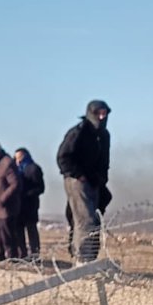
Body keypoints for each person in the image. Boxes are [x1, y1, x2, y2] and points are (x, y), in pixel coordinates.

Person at [57, 100, 112, 262]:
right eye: (98, 113)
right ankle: (83, 259)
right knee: (85, 219)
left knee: (94, 219)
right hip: (77, 180)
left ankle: (90, 256)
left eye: (105, 113)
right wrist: (77, 174)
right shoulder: (79, 132)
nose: (102, 117)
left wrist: (102, 179)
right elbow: (63, 156)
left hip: (95, 181)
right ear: (91, 114)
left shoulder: (104, 135)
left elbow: (104, 161)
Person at [0, 141, 21, 261]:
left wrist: (3, 199)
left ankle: (12, 259)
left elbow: (15, 184)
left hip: (6, 209)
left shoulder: (7, 163)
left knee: (8, 237)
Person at [15, 148, 45, 260]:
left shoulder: (34, 168)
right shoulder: (16, 169)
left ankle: (35, 254)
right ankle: (22, 254)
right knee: (19, 231)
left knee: (31, 230)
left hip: (30, 205)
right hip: (19, 206)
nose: (17, 160)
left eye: (19, 157)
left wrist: (27, 194)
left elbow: (41, 188)